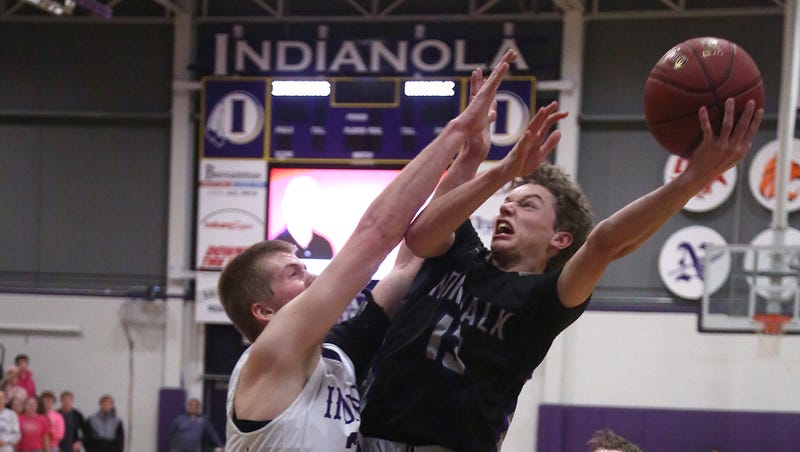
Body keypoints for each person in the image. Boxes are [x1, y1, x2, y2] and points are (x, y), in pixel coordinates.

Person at [360, 96, 763, 452]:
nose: (507, 207)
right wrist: (487, 163)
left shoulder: (545, 299)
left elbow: (606, 242)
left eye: (528, 205)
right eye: (508, 202)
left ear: (560, 238)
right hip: (366, 437)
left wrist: (692, 180)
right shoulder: (459, 250)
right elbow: (420, 233)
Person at [217, 50, 521, 451]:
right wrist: (456, 131)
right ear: (264, 311)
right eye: (293, 273)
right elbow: (377, 233)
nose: (312, 275)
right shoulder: (270, 354)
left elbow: (410, 262)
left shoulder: (336, 356)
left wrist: (469, 159)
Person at [273, 175, 334, 259]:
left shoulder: (324, 245)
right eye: (298, 201)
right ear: (285, 204)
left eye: (310, 201)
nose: (304, 207)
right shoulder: (274, 247)